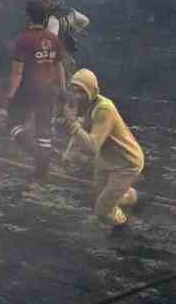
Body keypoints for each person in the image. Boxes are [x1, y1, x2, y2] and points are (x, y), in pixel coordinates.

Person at [62, 67, 144, 227]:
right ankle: (134, 197)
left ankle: (124, 226)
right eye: (75, 91)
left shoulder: (104, 109)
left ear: (92, 91)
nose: (78, 97)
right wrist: (69, 154)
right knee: (100, 195)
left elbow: (93, 146)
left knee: (102, 210)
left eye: (82, 92)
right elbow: (81, 131)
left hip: (126, 163)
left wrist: (72, 123)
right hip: (107, 160)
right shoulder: (89, 107)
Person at [8, 0, 66, 180]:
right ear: (46, 18)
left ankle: (35, 154)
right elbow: (59, 66)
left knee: (13, 123)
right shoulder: (53, 39)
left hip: (28, 89)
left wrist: (11, 94)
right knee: (44, 131)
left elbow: (17, 71)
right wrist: (62, 89)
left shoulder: (23, 39)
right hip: (48, 91)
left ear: (29, 16)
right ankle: (41, 172)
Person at [43, 0, 89, 76]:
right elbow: (85, 20)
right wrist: (72, 30)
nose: (44, 4)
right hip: (68, 55)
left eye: (46, 1)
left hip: (58, 57)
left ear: (55, 1)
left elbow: (51, 41)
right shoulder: (70, 11)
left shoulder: (53, 18)